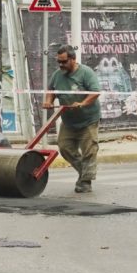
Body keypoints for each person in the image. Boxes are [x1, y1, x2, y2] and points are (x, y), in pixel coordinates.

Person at [43, 43, 101, 193]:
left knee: (89, 150)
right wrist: (48, 101)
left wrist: (82, 103)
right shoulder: (57, 75)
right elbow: (51, 90)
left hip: (88, 120)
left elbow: (95, 92)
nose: (60, 65)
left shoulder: (86, 73)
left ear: (73, 59)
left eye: (64, 61)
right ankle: (84, 172)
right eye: (59, 62)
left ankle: (86, 182)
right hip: (68, 121)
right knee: (64, 147)